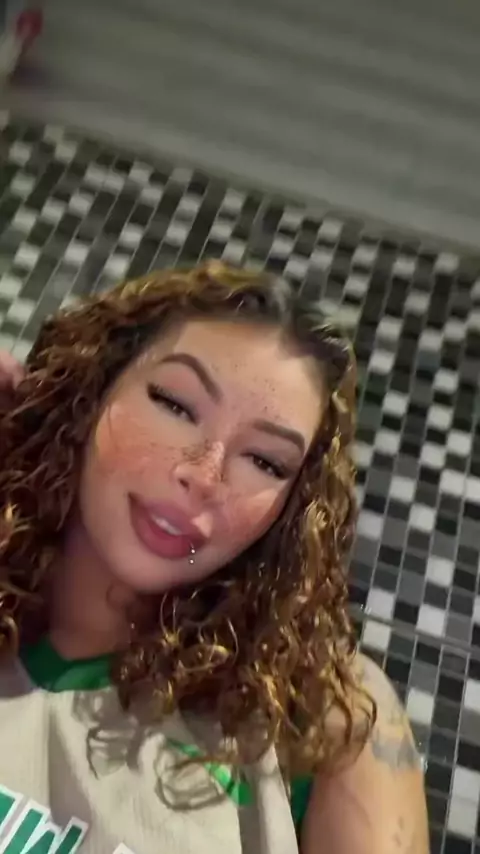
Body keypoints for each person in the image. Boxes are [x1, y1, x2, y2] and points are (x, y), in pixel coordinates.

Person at [0, 261, 429, 853]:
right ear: (91, 391)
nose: (203, 475)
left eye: (266, 462)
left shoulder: (321, 712)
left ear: (290, 509)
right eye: (175, 404)